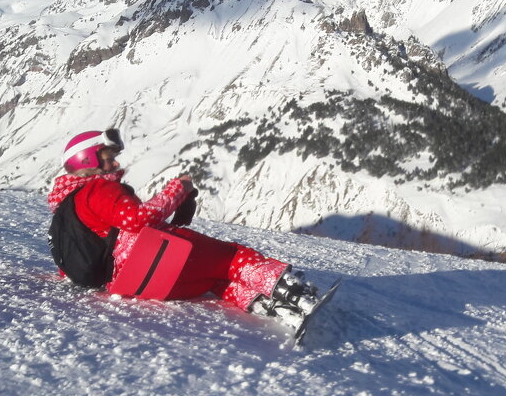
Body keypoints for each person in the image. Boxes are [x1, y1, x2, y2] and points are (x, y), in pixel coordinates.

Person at [47, 128, 320, 328]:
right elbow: (139, 219)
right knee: (230, 256)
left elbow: (71, 261)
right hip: (150, 257)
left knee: (212, 278)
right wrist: (180, 188)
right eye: (108, 157)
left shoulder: (65, 208)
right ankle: (291, 291)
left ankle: (269, 305)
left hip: (128, 285)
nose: (116, 163)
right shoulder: (98, 188)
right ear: (87, 161)